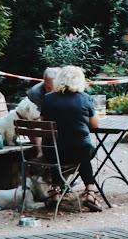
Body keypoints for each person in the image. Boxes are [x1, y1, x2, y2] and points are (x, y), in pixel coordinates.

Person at [40, 65, 103, 211]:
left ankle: (55, 191)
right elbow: (95, 125)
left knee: (58, 146)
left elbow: (44, 124)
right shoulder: (85, 98)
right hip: (79, 152)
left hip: (52, 153)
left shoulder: (48, 99)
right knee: (82, 151)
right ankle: (90, 192)